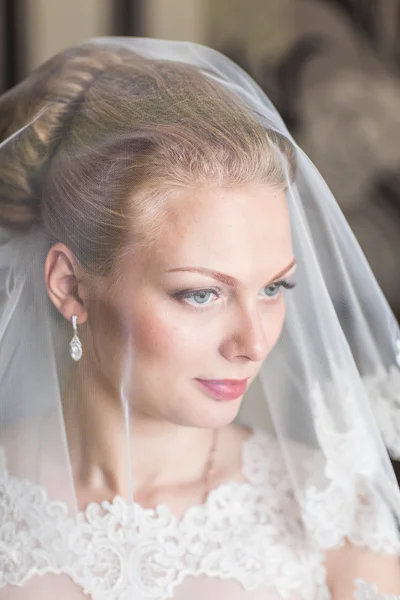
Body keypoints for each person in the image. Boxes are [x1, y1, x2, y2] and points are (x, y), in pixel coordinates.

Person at [0, 37, 400, 600]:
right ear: (70, 286)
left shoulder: (330, 521)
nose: (254, 343)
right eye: (201, 295)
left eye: (273, 287)